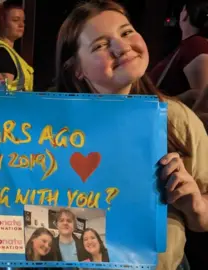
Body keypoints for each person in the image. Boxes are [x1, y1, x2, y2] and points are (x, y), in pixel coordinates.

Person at [55, 1, 208, 269]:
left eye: (126, 32)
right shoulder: (50, 131)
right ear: (77, 68)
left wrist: (195, 205)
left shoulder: (176, 119)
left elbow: (203, 217)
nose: (122, 47)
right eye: (101, 45)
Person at [0, 0, 33, 91]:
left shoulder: (1, 46)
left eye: (23, 21)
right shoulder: (1, 55)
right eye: (15, 20)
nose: (21, 25)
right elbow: (2, 100)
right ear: (2, 21)